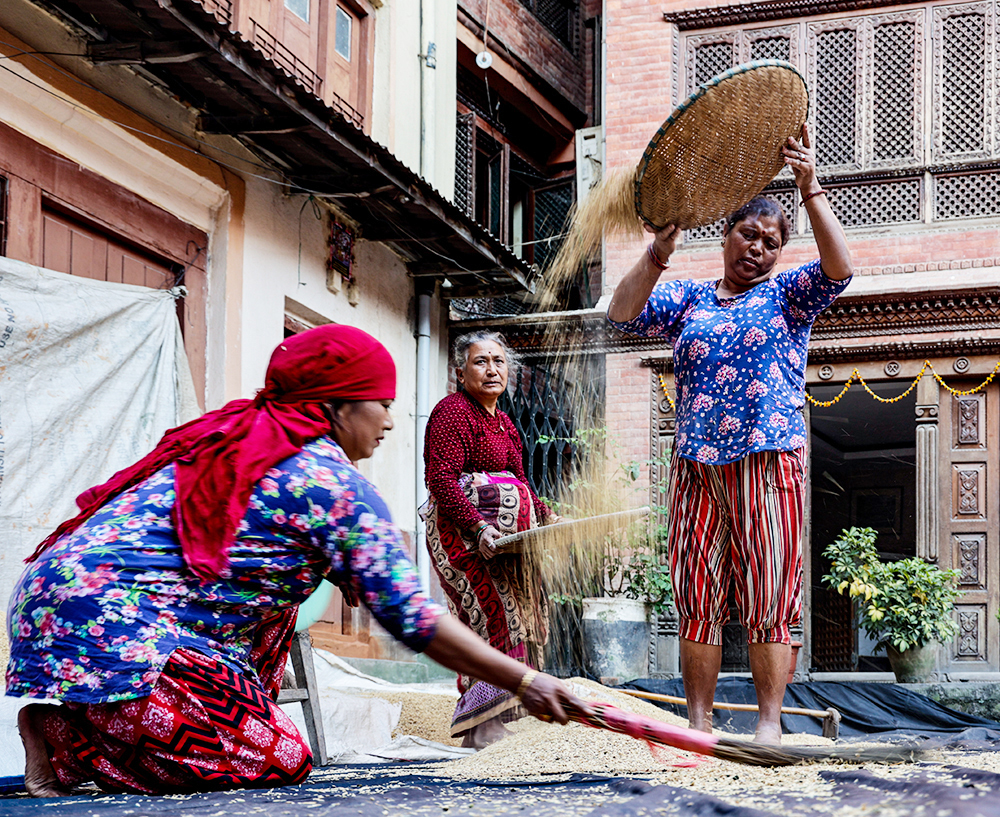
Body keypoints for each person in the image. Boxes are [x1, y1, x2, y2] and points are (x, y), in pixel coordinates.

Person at [7, 324, 587, 797]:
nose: (388, 421)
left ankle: (176, 709)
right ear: (335, 406)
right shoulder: (329, 483)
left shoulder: (244, 437)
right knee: (280, 759)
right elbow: (413, 619)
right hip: (100, 615)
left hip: (64, 592)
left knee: (281, 604)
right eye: (379, 404)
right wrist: (526, 679)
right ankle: (65, 736)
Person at [606, 125, 853, 744]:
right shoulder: (688, 299)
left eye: (772, 243)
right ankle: (697, 723)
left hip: (767, 461)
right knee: (698, 596)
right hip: (696, 464)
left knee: (769, 591)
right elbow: (622, 314)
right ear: (725, 234)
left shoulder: (787, 295)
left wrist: (811, 187)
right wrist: (657, 252)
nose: (759, 249)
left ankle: (768, 725)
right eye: (749, 234)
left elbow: (839, 268)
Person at [421, 331, 560, 749]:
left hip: (506, 544)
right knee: (488, 619)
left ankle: (496, 718)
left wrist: (549, 516)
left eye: (499, 361)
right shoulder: (451, 412)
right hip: (462, 538)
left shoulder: (504, 423)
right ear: (460, 371)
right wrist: (479, 528)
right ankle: (481, 726)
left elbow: (519, 481)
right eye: (481, 361)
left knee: (517, 617)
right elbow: (442, 481)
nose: (492, 369)